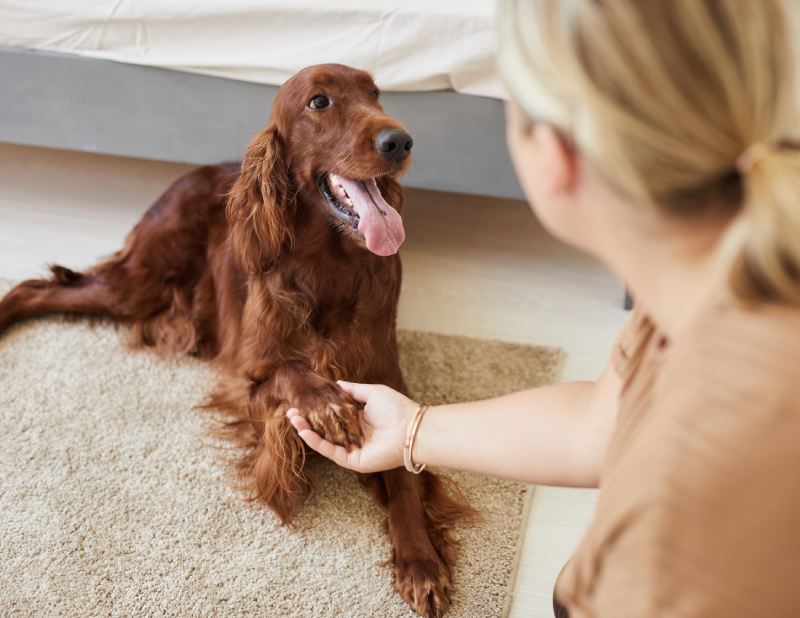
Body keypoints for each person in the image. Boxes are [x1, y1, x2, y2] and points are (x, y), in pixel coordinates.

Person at [288, 0, 800, 615]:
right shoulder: (725, 281)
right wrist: (414, 431)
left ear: (553, 155)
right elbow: (600, 423)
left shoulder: (673, 542)